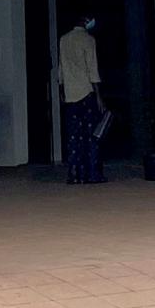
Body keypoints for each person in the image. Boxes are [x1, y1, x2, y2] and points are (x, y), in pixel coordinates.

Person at [58, 14, 105, 185]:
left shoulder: (64, 40)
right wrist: (99, 95)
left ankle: (74, 174)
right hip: (86, 92)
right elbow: (92, 69)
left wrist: (62, 90)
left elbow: (61, 68)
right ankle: (93, 174)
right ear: (85, 22)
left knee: (73, 136)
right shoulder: (88, 40)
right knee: (91, 136)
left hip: (70, 93)